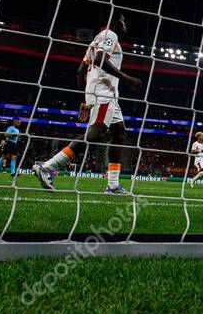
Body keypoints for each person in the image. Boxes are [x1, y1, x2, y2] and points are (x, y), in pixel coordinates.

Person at [32, 13, 142, 194]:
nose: (125, 26)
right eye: (123, 21)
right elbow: (100, 60)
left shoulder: (95, 41)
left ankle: (113, 185)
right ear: (115, 22)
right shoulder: (110, 35)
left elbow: (80, 71)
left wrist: (84, 99)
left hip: (105, 95)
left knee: (119, 133)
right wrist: (128, 78)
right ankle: (47, 167)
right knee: (94, 135)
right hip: (103, 94)